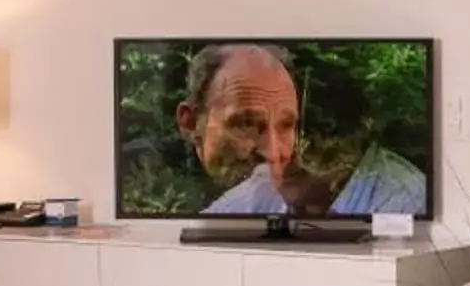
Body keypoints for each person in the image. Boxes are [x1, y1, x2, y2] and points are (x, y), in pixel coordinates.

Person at [176, 42, 428, 217]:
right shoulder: (263, 185)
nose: (278, 151)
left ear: (358, 134)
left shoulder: (403, 198)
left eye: (313, 132)